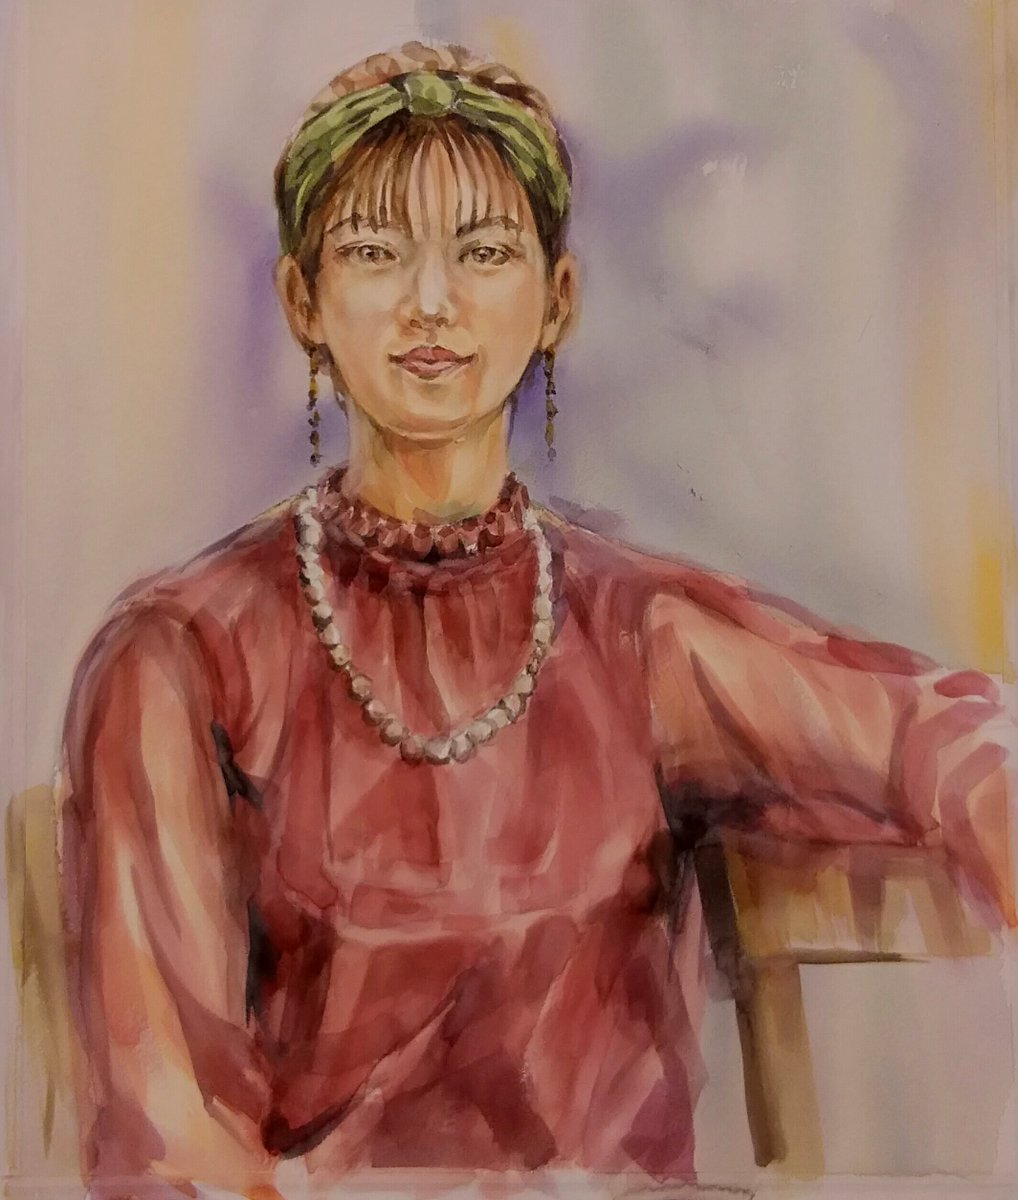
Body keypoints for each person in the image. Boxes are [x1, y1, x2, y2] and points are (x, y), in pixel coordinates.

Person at [55, 39, 1016, 1200]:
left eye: (483, 251)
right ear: (302, 300)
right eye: (373, 252)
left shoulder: (634, 631)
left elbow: (945, 740)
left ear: (556, 300)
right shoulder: (179, 655)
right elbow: (171, 1151)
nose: (431, 302)